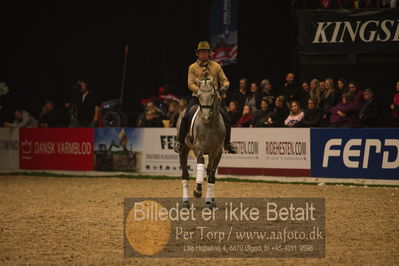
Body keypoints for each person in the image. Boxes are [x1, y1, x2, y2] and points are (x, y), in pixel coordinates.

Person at [174, 41, 236, 153]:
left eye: (206, 52)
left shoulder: (216, 66)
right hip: (197, 97)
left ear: (209, 53)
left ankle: (227, 143)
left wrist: (224, 88)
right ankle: (180, 142)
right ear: (197, 53)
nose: (204, 54)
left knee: (227, 117)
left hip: (214, 98)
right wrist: (200, 92)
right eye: (201, 52)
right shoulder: (192, 67)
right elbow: (190, 83)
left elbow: (225, 80)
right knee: (186, 116)